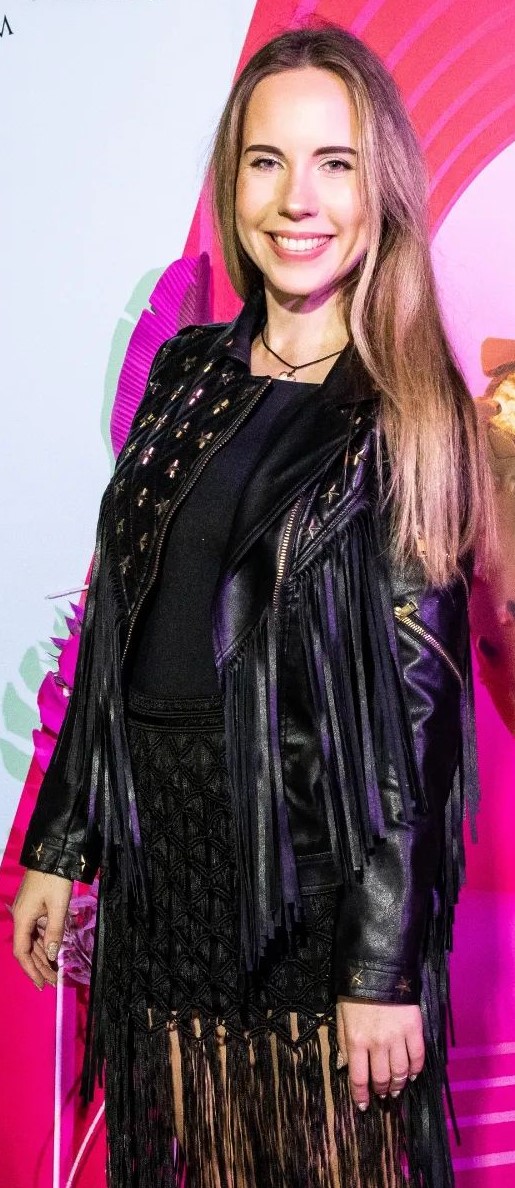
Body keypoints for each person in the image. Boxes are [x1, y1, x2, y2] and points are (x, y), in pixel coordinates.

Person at [12, 23, 495, 1188]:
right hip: (161, 878)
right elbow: (122, 626)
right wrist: (62, 843)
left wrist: (378, 969)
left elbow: (417, 725)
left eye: (333, 162)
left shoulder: (405, 411)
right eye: (265, 161)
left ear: (378, 188)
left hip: (304, 891)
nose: (296, 199)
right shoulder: (186, 373)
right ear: (231, 182)